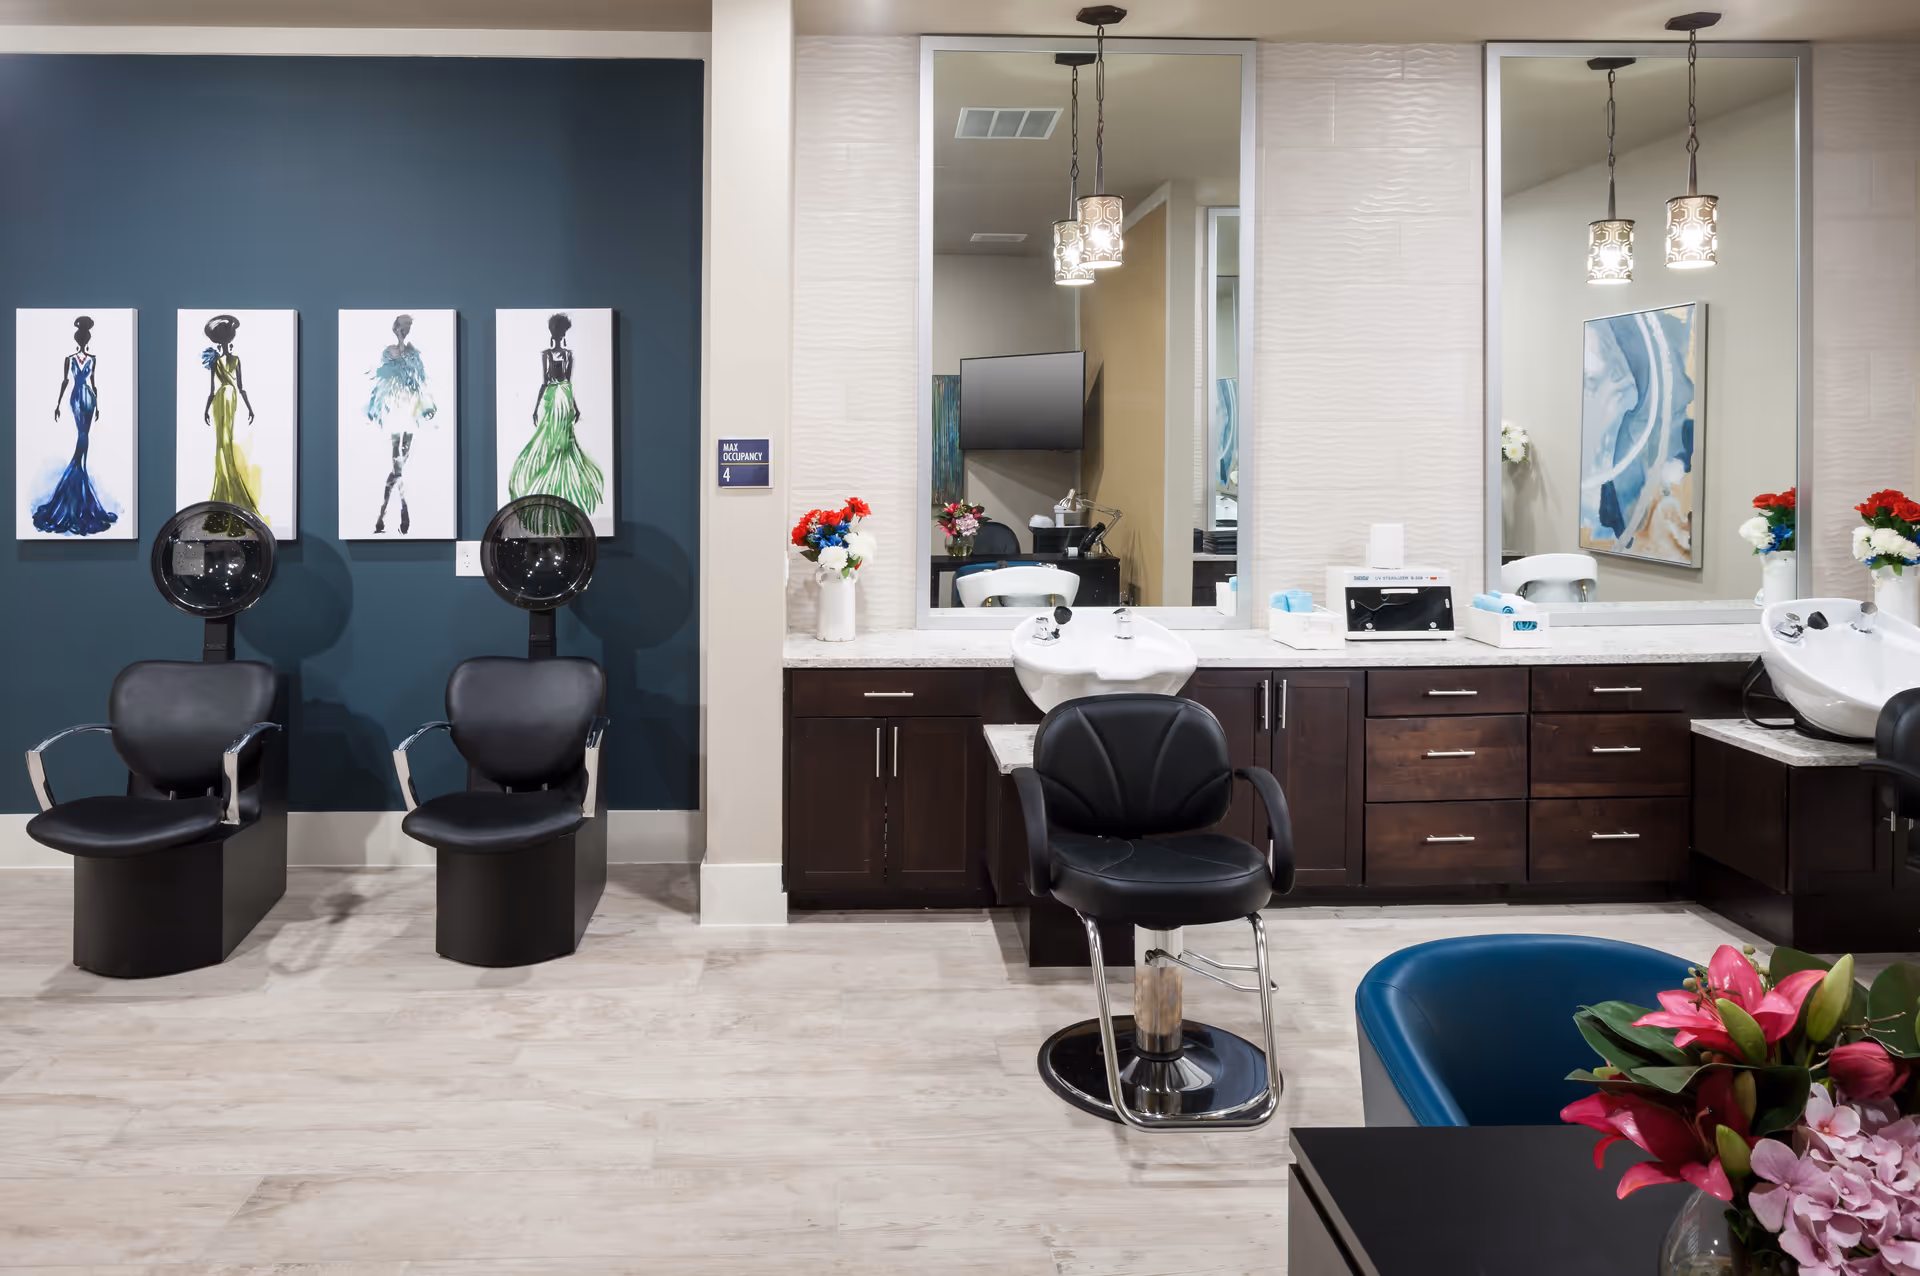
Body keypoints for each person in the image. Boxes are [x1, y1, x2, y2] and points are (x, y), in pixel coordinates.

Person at [508, 312, 603, 518]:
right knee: (550, 438)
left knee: (565, 441)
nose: (559, 335)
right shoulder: (547, 354)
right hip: (554, 398)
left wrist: (575, 407)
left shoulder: (568, 355)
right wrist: (535, 408)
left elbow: (568, 383)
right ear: (554, 332)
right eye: (557, 331)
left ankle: (559, 487)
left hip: (563, 398)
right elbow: (545, 381)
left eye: (560, 331)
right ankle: (546, 486)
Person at [32, 315, 117, 536]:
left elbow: (94, 384)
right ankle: (78, 471)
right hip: (76, 397)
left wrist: (98, 406)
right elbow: (65, 381)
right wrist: (58, 404)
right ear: (81, 339)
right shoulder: (69, 359)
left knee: (84, 435)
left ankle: (79, 471)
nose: (83, 342)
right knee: (82, 435)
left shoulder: (93, 358)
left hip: (88, 397)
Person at [365, 313, 437, 534]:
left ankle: (382, 514)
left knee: (399, 466)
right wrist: (373, 407)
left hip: (409, 413)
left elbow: (420, 381)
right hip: (394, 413)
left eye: (408, 327)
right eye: (402, 326)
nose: (405, 330)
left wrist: (428, 405)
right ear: (395, 327)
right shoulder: (388, 352)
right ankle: (399, 512)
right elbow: (382, 381)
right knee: (398, 466)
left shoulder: (414, 353)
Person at [201, 313, 262, 535]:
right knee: (222, 445)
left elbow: (242, 386)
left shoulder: (235, 360)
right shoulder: (216, 361)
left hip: (229, 398)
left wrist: (250, 407)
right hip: (221, 399)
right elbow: (211, 389)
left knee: (225, 445)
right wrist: (207, 409)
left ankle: (229, 500)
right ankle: (224, 498)